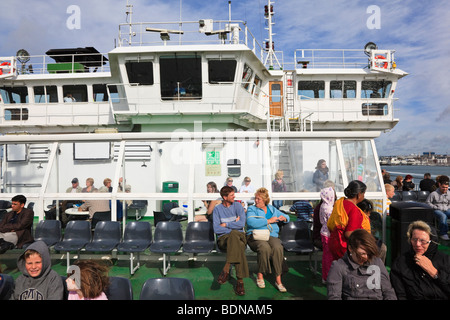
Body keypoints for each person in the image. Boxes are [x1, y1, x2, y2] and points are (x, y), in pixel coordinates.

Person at [327, 229, 397, 300]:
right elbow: (334, 297)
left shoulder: (377, 262)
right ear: (351, 248)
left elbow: (388, 291)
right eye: (362, 254)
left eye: (368, 253)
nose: (366, 257)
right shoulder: (339, 267)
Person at [390, 220, 450, 300]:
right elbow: (400, 294)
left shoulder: (446, 260)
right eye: (414, 240)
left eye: (423, 241)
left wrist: (434, 272)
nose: (417, 244)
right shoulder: (401, 263)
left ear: (432, 242)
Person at [246, 187, 290, 292]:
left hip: (270, 235)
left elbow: (286, 216)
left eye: (259, 199)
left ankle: (278, 279)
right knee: (264, 247)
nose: (256, 201)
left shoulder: (272, 209)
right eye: (256, 198)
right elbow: (251, 222)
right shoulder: (252, 209)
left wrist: (285, 218)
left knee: (278, 247)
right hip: (255, 235)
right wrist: (269, 221)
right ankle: (260, 275)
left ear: (265, 200)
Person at [213, 186, 249, 296]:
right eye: (232, 195)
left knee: (234, 235)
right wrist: (234, 225)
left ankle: (226, 267)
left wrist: (226, 224)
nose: (235, 196)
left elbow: (242, 224)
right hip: (224, 239)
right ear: (224, 197)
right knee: (235, 240)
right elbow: (216, 228)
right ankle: (240, 281)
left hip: (240, 237)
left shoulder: (238, 206)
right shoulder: (217, 209)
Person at [327, 180, 371, 260]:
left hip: (334, 243)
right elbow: (349, 233)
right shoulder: (354, 210)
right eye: (364, 193)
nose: (364, 196)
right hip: (345, 248)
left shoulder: (340, 203)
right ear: (359, 195)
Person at [319, 186, 336, 283]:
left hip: (323, 232)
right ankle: (328, 277)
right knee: (329, 257)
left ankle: (324, 276)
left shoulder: (322, 206)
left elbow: (322, 220)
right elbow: (331, 223)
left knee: (325, 256)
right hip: (328, 234)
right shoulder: (329, 208)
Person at [425, 175, 450, 240]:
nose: (445, 189)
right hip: (436, 210)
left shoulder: (449, 193)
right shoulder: (433, 194)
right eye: (443, 187)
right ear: (439, 185)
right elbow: (427, 203)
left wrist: (448, 207)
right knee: (443, 216)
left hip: (446, 209)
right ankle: (443, 233)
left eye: (447, 187)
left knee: (445, 214)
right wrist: (435, 207)